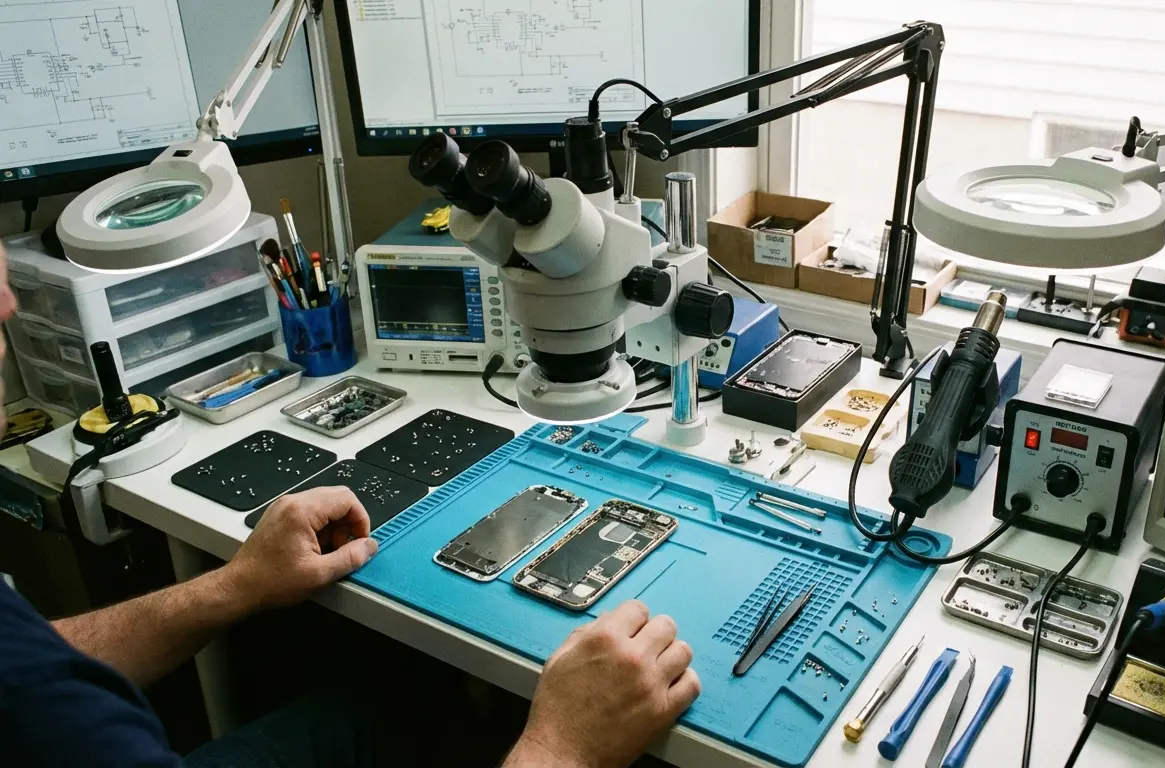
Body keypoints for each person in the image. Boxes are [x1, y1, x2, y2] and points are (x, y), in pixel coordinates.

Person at [0, 240, 701, 767]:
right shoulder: (62, 732)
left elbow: (32, 656)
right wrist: (562, 749)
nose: (10, 304)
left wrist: (234, 585)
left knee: (394, 707)